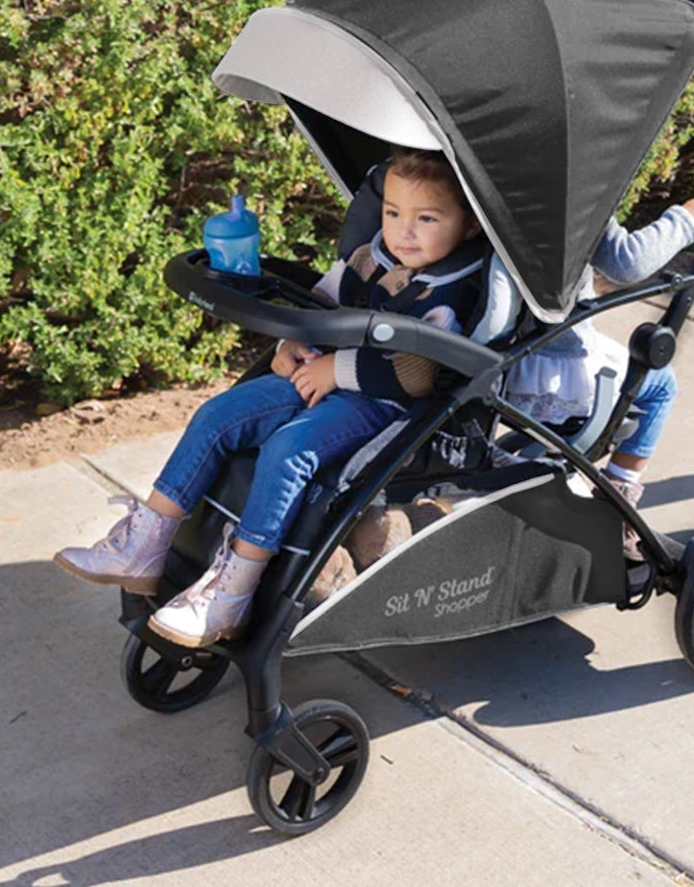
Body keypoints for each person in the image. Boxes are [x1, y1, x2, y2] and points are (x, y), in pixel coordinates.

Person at [55, 147, 490, 645]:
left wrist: (336, 368)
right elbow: (320, 302)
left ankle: (231, 594)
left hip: (380, 406)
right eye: (392, 213)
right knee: (218, 415)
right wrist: (291, 343)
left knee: (290, 449)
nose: (404, 231)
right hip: (315, 373)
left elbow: (416, 373)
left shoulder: (450, 290)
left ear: (470, 225)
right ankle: (144, 545)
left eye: (426, 218)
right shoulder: (371, 258)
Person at [504, 188, 694, 556]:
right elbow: (627, 261)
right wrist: (688, 218)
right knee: (660, 384)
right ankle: (618, 493)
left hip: (491, 361)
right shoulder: (571, 191)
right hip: (550, 368)